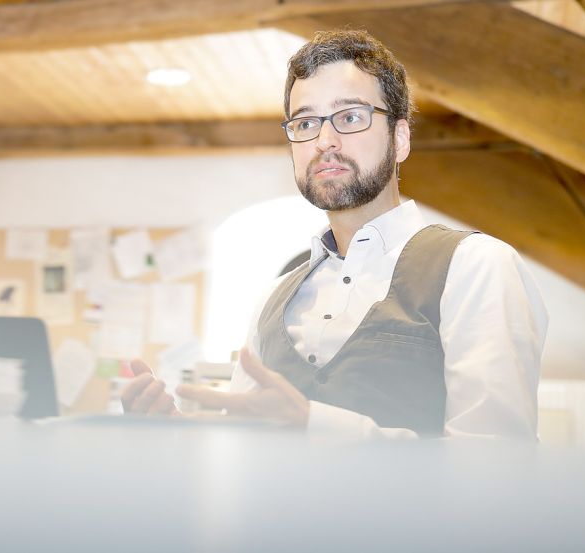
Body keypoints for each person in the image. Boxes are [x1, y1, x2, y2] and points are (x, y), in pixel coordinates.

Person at [122, 29, 548, 440]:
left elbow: (495, 465)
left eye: (349, 117)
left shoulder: (477, 266)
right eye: (305, 123)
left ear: (400, 139)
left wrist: (315, 425)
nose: (325, 140)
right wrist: (175, 432)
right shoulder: (272, 299)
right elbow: (247, 443)